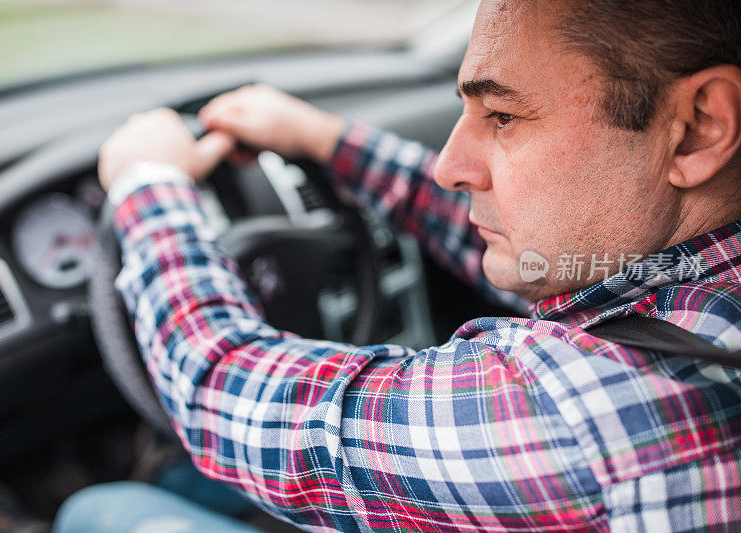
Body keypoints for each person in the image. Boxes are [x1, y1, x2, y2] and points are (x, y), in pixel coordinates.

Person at [54, 0, 741, 531]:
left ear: (698, 127)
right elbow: (541, 244)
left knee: (104, 511)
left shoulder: (588, 412)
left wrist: (149, 186)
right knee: (185, 487)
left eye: (501, 115)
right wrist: (323, 139)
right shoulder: (689, 282)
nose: (450, 166)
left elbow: (226, 393)